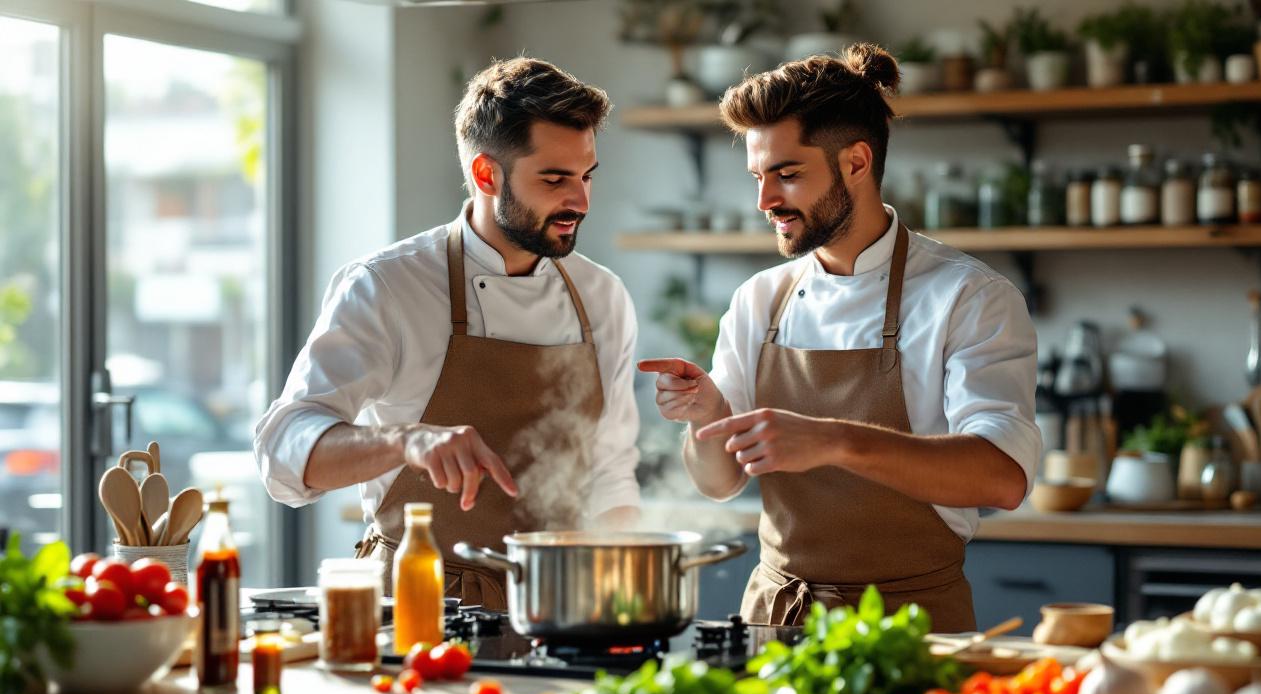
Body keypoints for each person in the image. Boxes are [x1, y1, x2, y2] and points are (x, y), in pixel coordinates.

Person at [639, 43, 1041, 631]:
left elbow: (1002, 477)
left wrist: (832, 442)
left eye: (788, 174)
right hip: (776, 624)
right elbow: (720, 482)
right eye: (758, 176)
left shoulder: (969, 297)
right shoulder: (760, 299)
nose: (764, 201)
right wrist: (706, 416)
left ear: (856, 162)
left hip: (912, 628)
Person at [255, 58, 640, 606]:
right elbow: (281, 455)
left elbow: (611, 467)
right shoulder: (388, 285)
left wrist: (622, 592)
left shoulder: (602, 296)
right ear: (487, 175)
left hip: (562, 603)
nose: (579, 201)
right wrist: (407, 439)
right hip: (417, 600)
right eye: (554, 179)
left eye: (586, 176)